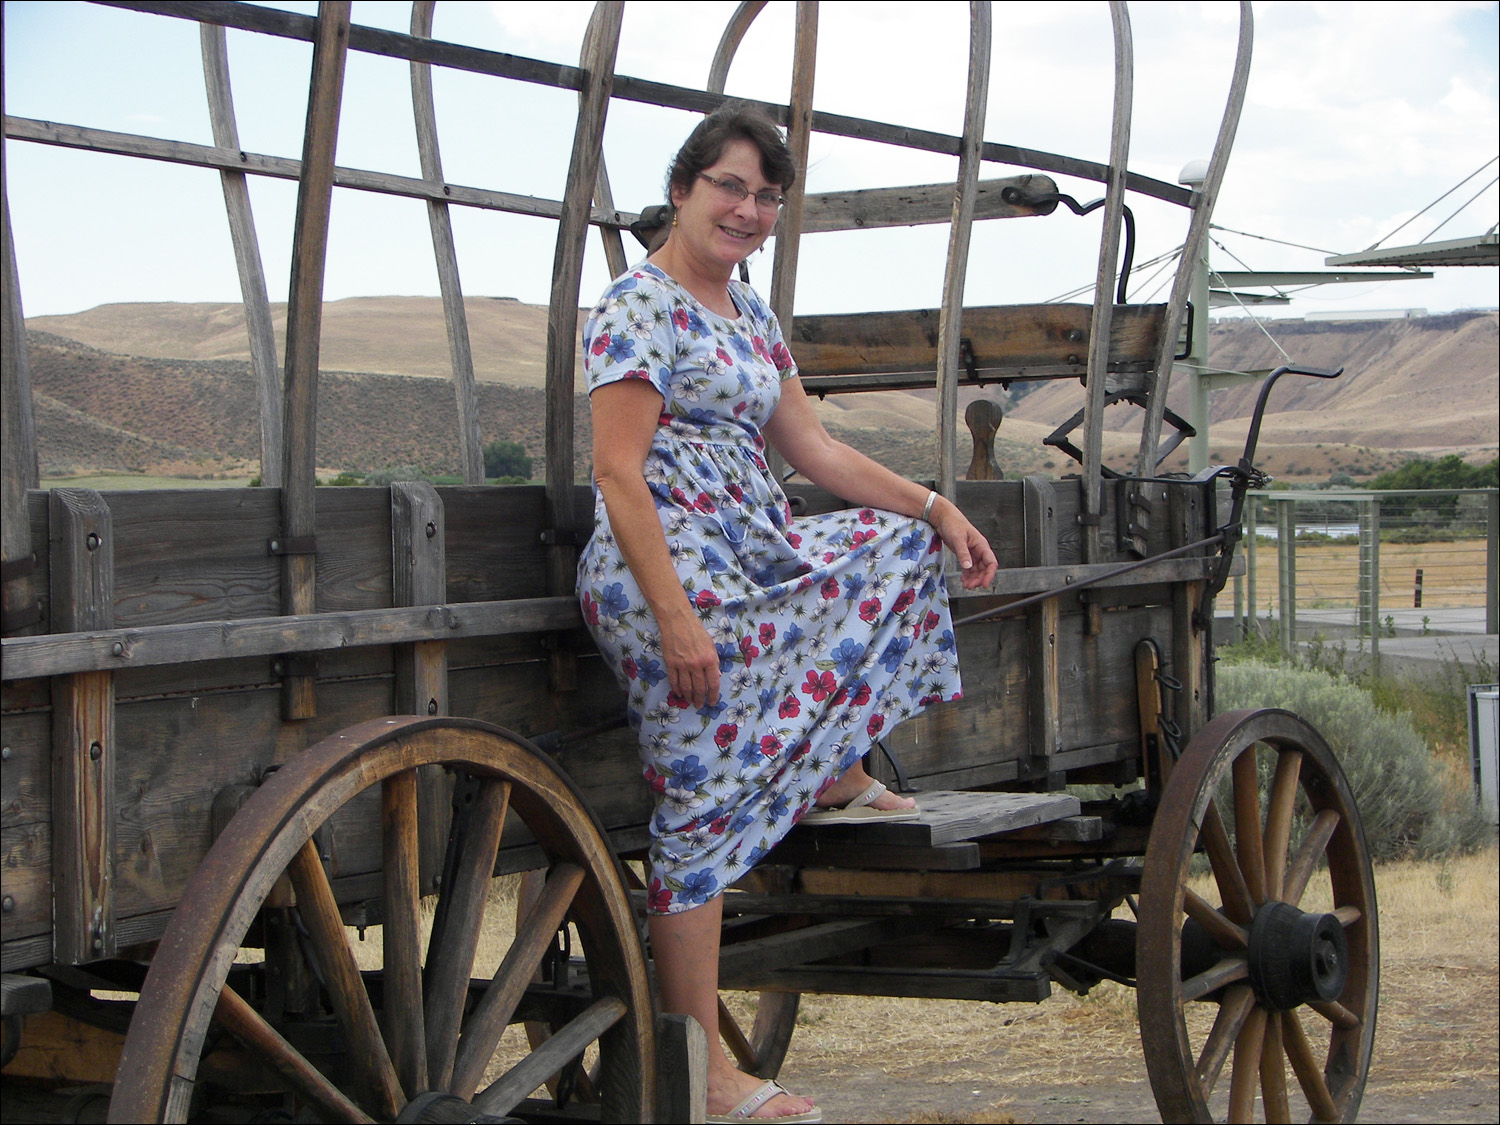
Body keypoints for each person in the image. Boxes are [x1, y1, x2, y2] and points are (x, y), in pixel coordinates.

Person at [577, 104, 998, 1123]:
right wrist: (675, 618)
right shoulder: (636, 307)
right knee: (700, 797)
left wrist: (937, 506)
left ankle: (830, 768)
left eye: (767, 195)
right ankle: (707, 1074)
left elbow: (814, 452)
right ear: (683, 191)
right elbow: (617, 474)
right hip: (665, 566)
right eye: (729, 186)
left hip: (750, 550)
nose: (748, 209)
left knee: (897, 545)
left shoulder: (751, 316)